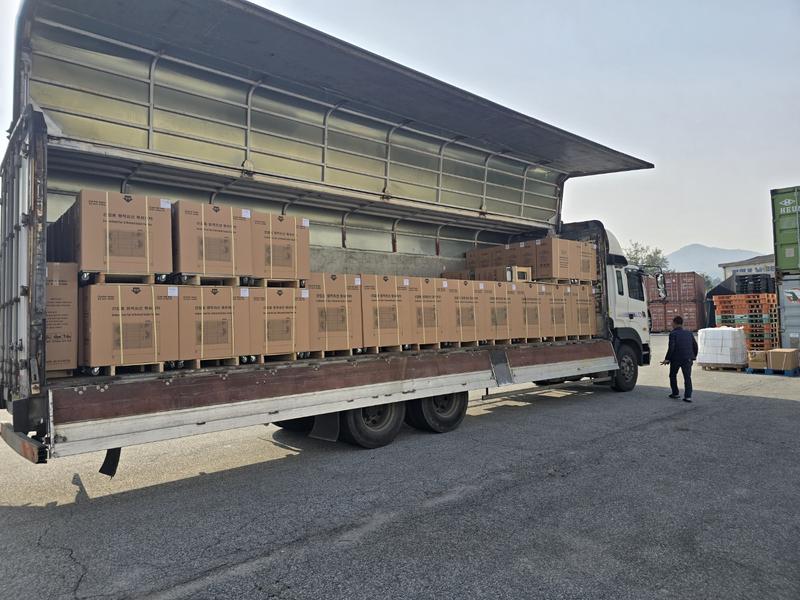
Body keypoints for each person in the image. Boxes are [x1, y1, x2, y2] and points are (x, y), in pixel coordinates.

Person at [660, 316, 698, 402]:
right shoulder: (689, 333)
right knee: (687, 377)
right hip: (688, 359)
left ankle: (675, 393)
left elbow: (671, 347)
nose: (671, 324)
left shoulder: (673, 334)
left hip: (676, 359)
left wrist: (667, 359)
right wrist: (693, 356)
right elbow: (695, 346)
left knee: (673, 375)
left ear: (674, 323)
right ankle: (688, 396)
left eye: (672, 323)